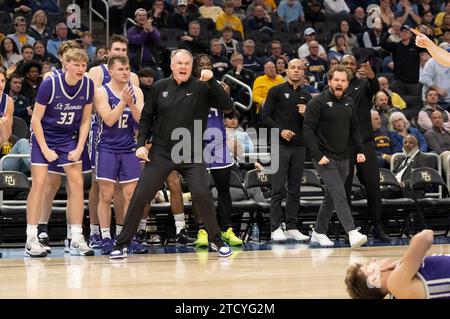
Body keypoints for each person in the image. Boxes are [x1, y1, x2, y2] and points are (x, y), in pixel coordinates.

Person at [109, 49, 234, 259]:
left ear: (190, 67)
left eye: (187, 63)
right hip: (162, 151)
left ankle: (216, 239)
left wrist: (212, 82)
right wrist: (141, 144)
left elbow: (227, 106)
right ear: (172, 66)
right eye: (180, 63)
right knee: (141, 196)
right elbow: (147, 117)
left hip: (192, 151)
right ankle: (122, 243)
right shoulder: (159, 87)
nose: (183, 67)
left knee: (202, 194)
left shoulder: (202, 88)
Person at [25, 48, 95, 258]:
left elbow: (85, 121)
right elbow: (35, 120)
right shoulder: (50, 83)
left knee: (77, 183)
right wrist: (45, 149)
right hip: (44, 136)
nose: (81, 69)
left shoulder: (89, 84)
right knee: (39, 183)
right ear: (66, 65)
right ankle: (31, 237)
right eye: (76, 65)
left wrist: (80, 147)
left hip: (68, 138)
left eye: (84, 65)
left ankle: (76, 237)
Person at [303, 64, 368, 249]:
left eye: (343, 80)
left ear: (347, 83)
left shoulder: (349, 102)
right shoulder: (317, 102)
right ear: (330, 81)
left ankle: (318, 232)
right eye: (336, 80)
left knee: (332, 196)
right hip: (323, 157)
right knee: (339, 192)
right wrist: (317, 154)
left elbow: (355, 127)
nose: (339, 83)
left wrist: (360, 150)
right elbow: (307, 130)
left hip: (344, 157)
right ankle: (352, 232)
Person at [94, 56, 145, 255]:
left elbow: (141, 120)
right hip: (106, 147)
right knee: (106, 195)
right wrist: (123, 103)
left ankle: (126, 237)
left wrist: (131, 104)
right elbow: (108, 120)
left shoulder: (137, 91)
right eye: (121, 69)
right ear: (111, 71)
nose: (125, 72)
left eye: (127, 68)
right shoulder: (101, 92)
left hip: (129, 148)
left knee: (130, 196)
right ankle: (106, 237)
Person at [192, 54, 242, 247]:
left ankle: (227, 229)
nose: (205, 66)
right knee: (200, 192)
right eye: (201, 64)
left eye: (208, 64)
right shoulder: (190, 87)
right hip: (197, 144)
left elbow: (229, 110)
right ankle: (202, 230)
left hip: (219, 145)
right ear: (195, 68)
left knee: (224, 190)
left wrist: (222, 90)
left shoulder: (220, 87)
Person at [341, 55, 391, 243]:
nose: (349, 66)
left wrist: (372, 77)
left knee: (373, 185)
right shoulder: (334, 86)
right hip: (343, 145)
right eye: (345, 63)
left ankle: (376, 226)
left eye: (352, 64)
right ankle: (349, 231)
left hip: (365, 142)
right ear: (339, 66)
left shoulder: (362, 84)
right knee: (344, 189)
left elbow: (375, 89)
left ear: (356, 68)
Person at [261, 58, 311, 242]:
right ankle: (275, 228)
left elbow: (312, 125)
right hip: (279, 145)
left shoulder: (307, 96)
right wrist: (280, 131)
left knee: (295, 190)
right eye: (292, 68)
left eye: (299, 68)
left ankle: (291, 226)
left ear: (303, 73)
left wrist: (307, 115)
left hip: (299, 146)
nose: (296, 71)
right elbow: (264, 117)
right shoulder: (276, 91)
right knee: (277, 189)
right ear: (286, 71)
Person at [345, 229, 450, 299]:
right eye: (368, 265)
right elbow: (426, 236)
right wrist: (403, 261)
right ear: (373, 280)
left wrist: (402, 263)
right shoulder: (395, 284)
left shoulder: (399, 283)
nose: (373, 259)